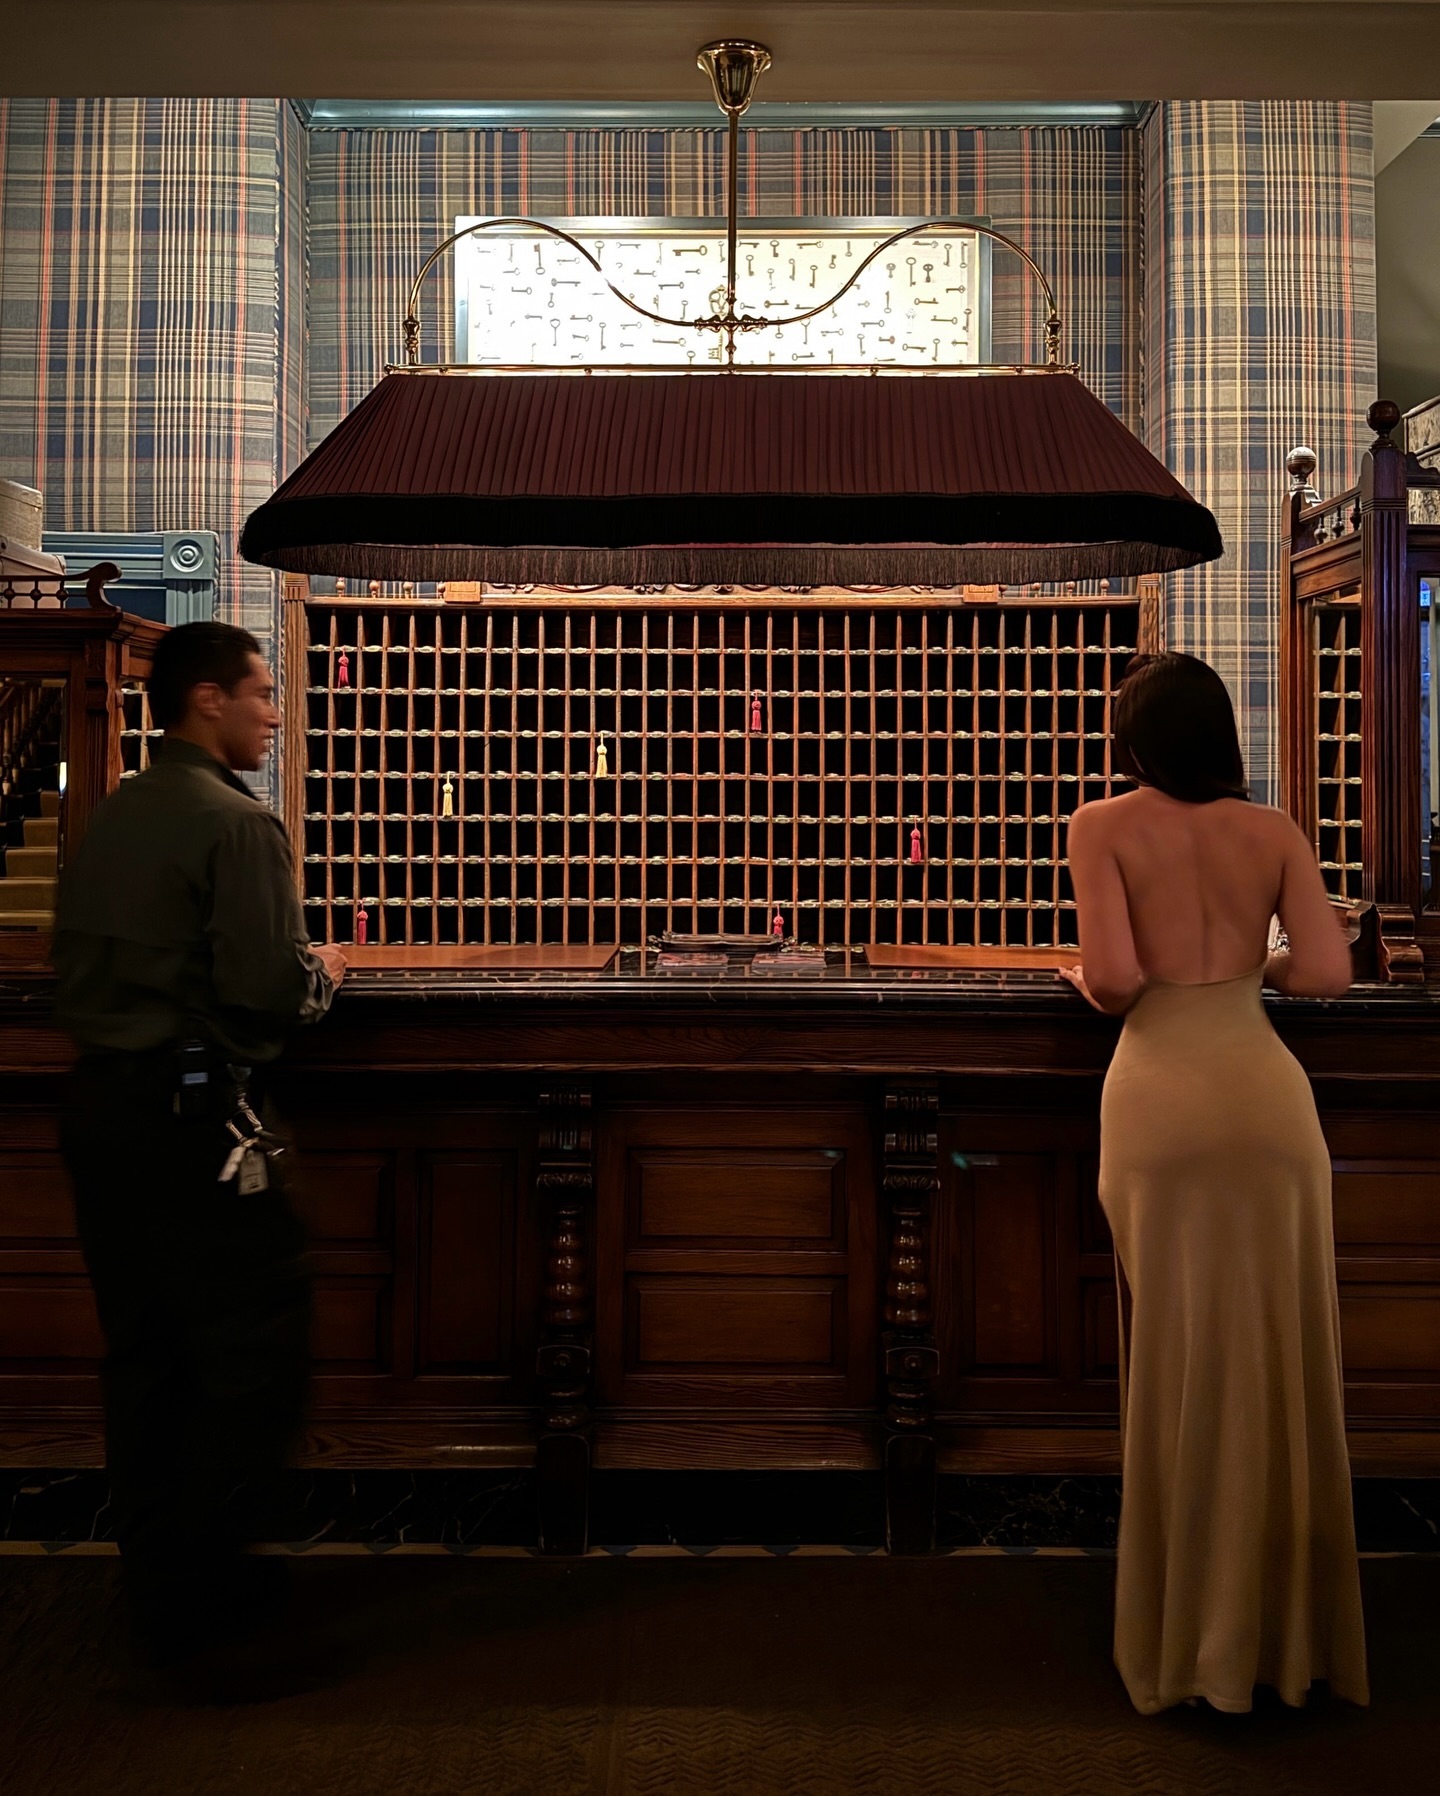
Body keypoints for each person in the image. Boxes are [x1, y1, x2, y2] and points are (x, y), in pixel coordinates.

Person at [1060, 651, 1368, 1716]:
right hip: (1266, 1103)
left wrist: (1087, 980)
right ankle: (1282, 1643)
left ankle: (1189, 1641)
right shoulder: (1273, 830)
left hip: (1161, 1102)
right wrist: (1251, 969)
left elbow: (1114, 981)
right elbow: (1326, 972)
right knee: (1278, 1356)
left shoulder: (1100, 824)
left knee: (1180, 1353)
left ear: (1134, 740)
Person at [51, 620, 347, 1685]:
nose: (276, 711)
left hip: (103, 1113)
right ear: (207, 699)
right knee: (247, 1353)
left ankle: (159, 1591)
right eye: (261, 692)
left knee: (146, 1359)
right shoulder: (236, 824)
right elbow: (267, 988)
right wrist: (324, 972)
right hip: (197, 1126)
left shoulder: (115, 812)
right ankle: (208, 1619)